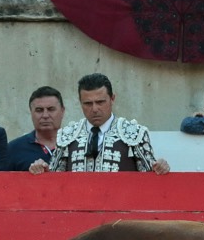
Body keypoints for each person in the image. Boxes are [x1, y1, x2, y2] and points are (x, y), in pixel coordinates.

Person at [29, 73, 170, 174]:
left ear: (112, 99)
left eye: (100, 102)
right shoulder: (68, 135)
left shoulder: (134, 133)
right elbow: (55, 178)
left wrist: (160, 168)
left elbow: (149, 176)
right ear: (80, 103)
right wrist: (42, 170)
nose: (95, 109)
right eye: (88, 103)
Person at [7, 85, 65, 171]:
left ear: (62, 111)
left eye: (51, 109)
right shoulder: (13, 149)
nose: (45, 115)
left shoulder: (75, 146)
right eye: (39, 110)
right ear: (31, 113)